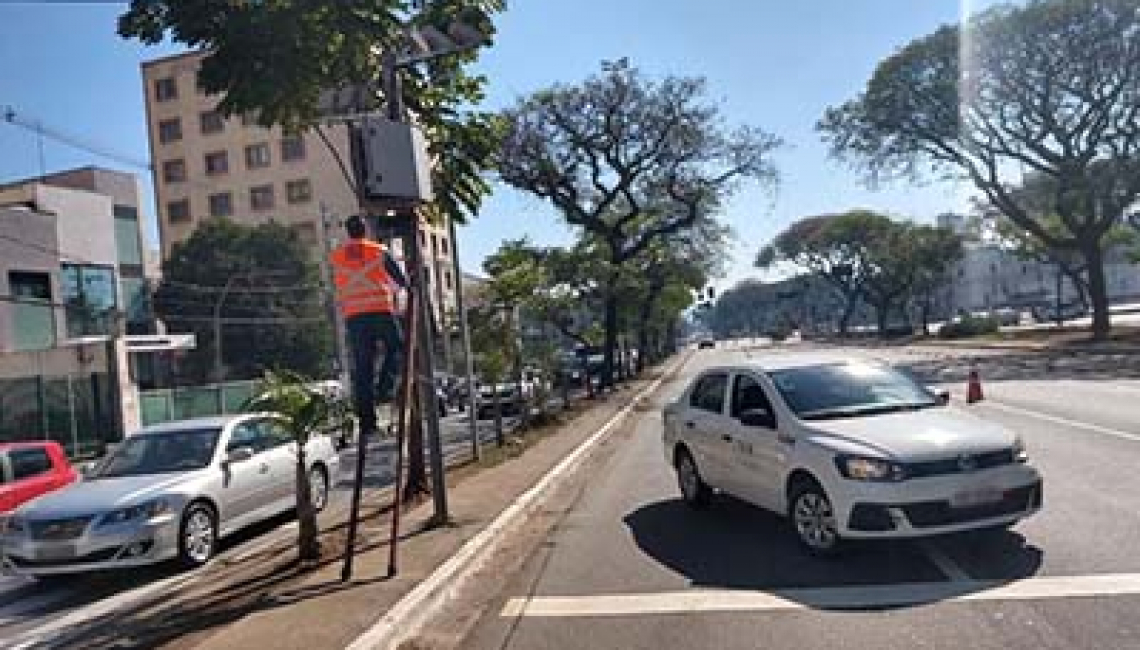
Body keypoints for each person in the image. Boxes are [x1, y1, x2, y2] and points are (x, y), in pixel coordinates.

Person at [330, 215, 408, 435]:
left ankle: (367, 421)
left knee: (363, 367)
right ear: (365, 230)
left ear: (348, 232)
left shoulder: (337, 256)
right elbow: (401, 280)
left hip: (355, 316)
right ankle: (385, 387)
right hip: (380, 310)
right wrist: (404, 290)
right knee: (396, 346)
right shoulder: (378, 250)